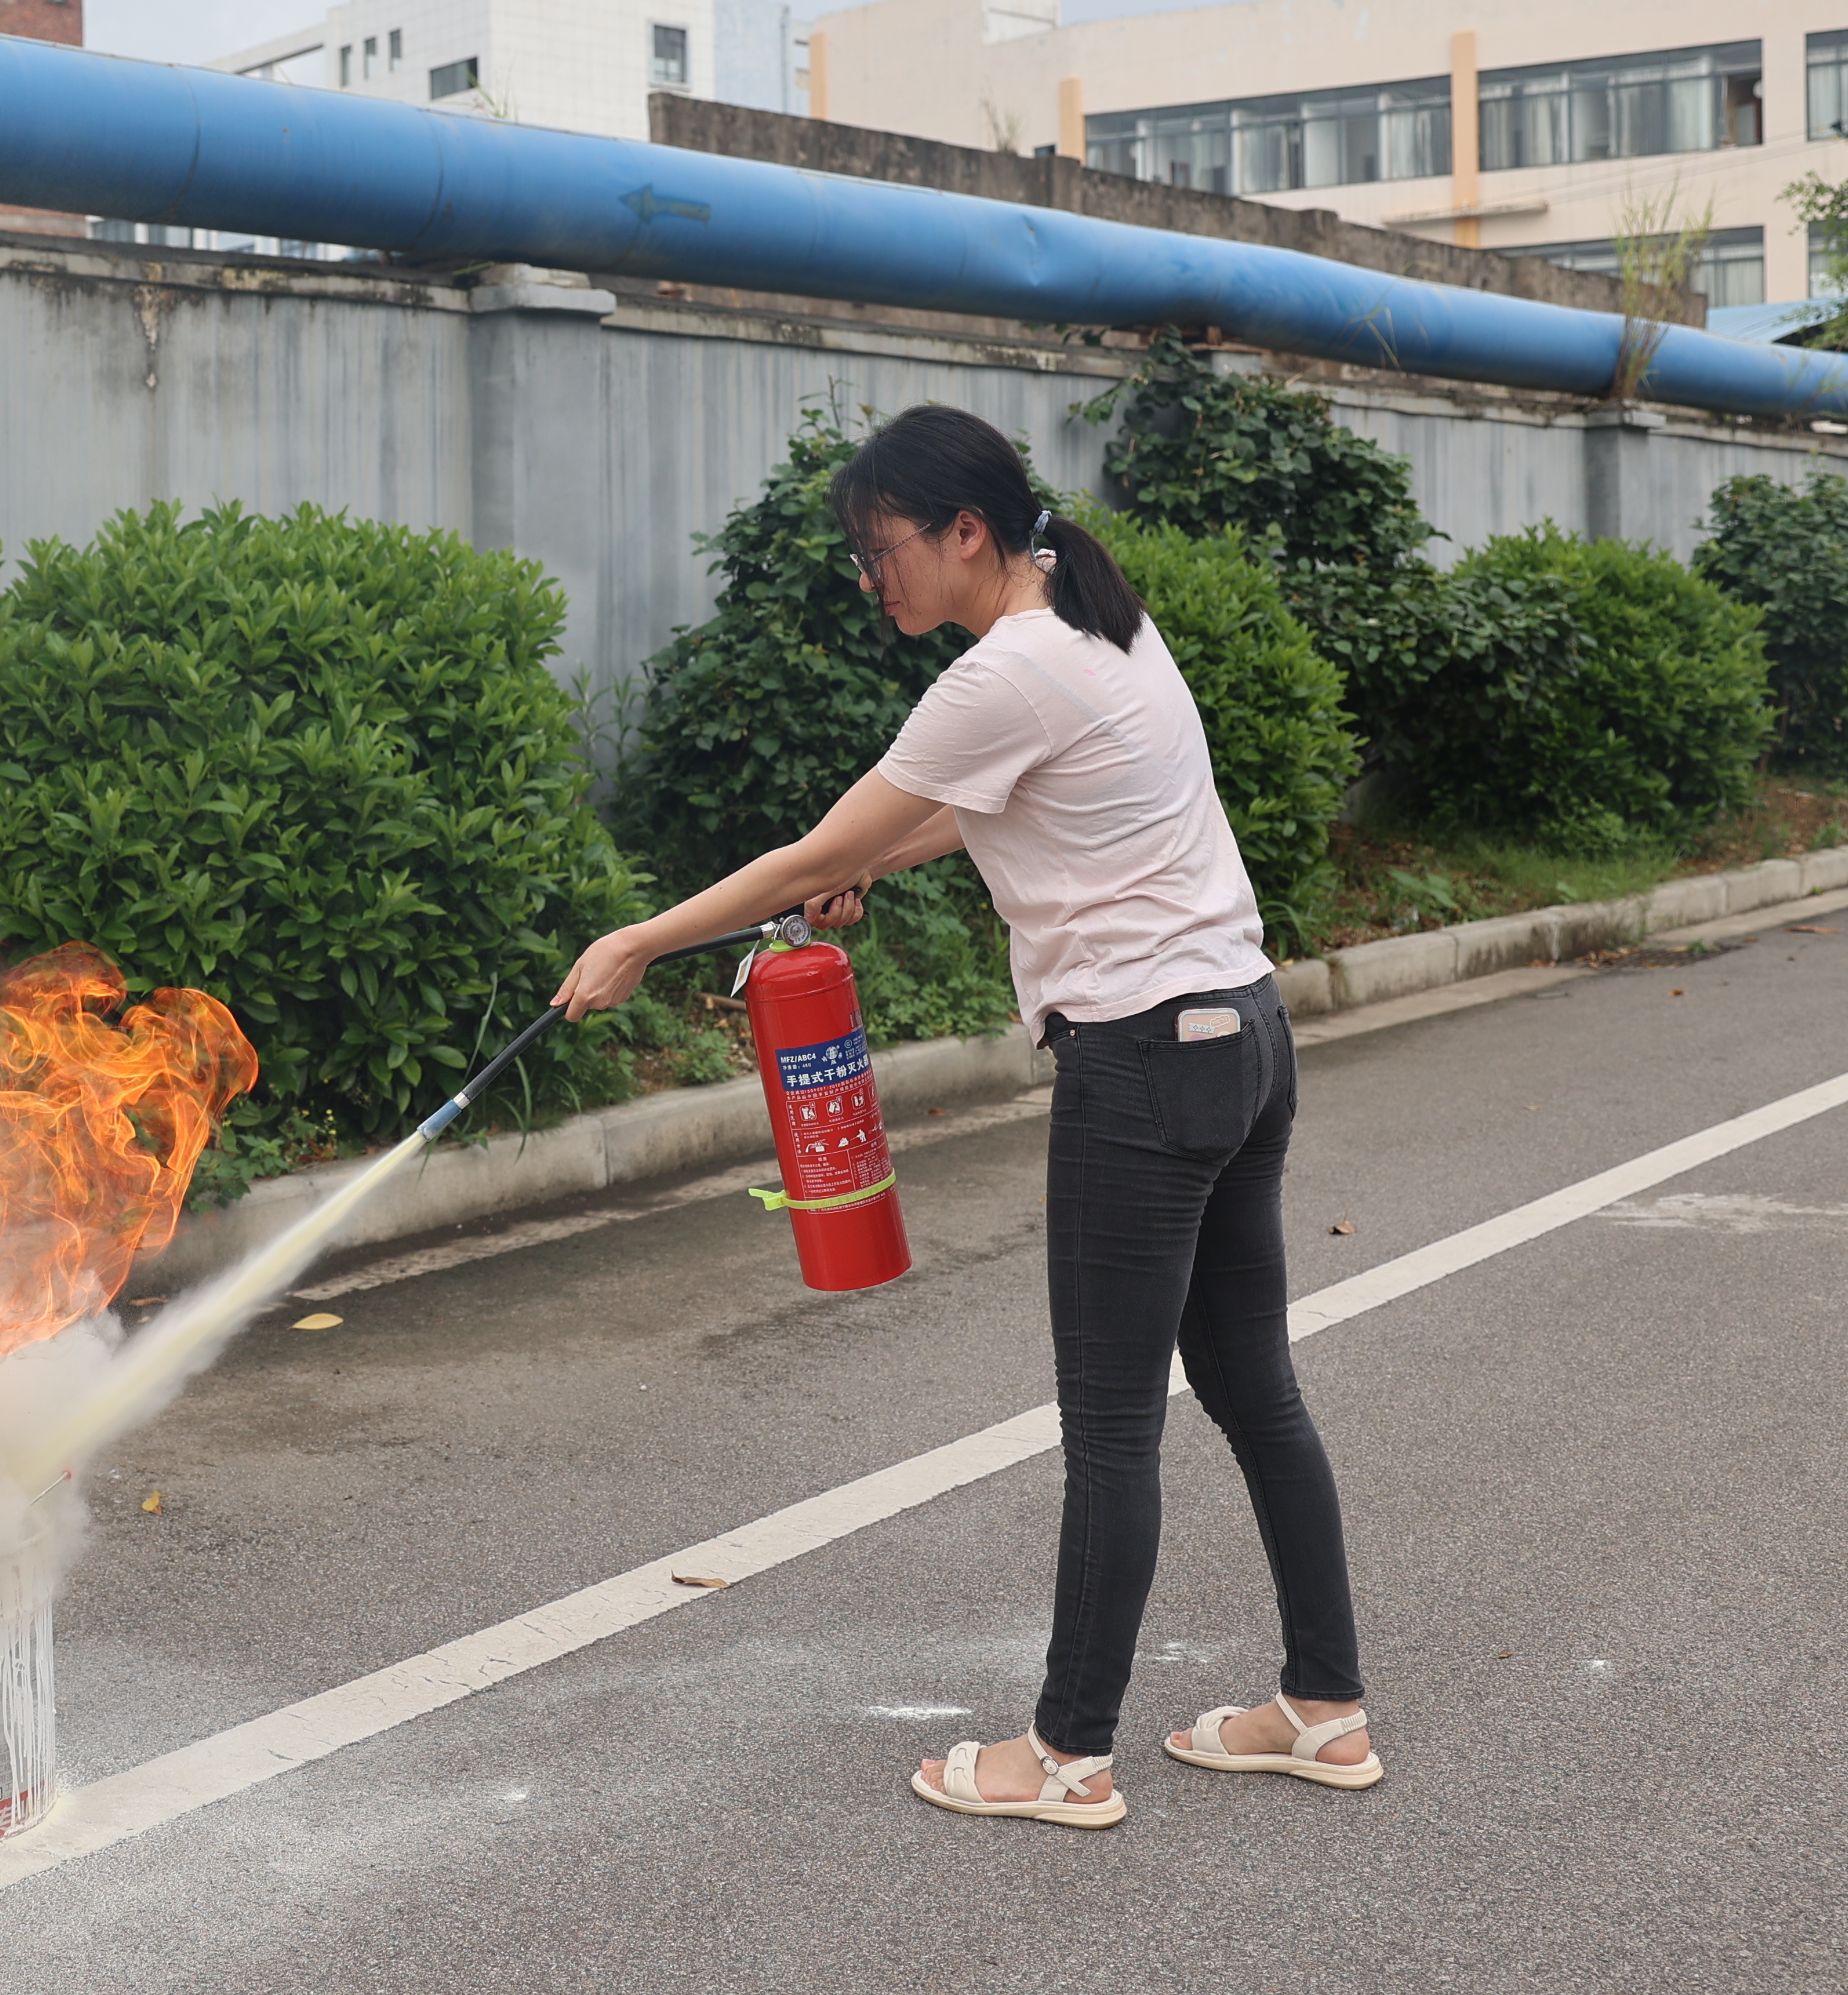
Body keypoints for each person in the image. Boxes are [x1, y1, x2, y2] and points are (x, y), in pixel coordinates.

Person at [552, 401, 1374, 1828]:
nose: (876, 581)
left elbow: (825, 845)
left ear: (966, 533)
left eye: (884, 552)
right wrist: (875, 860)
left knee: (1113, 1430)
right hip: (1240, 1031)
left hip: (1144, 1063)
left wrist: (639, 940)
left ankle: (1067, 1755)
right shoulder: (1094, 615)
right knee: (1255, 1390)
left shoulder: (1003, 674)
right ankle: (1323, 1710)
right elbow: (991, 804)